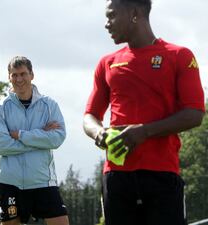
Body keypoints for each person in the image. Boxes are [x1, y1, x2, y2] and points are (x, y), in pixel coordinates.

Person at [83, 0, 205, 225]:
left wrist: (145, 132)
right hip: (116, 177)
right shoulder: (106, 63)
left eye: (111, 16)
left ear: (134, 13)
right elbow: (89, 117)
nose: (107, 24)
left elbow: (195, 113)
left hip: (162, 176)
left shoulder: (179, 56)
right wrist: (98, 132)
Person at [0, 56, 69, 225]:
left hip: (43, 181)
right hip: (9, 183)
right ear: (9, 77)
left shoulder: (49, 105)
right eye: (14, 75)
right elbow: (3, 146)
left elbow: (57, 139)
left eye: (23, 74)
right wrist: (41, 136)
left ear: (32, 75)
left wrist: (21, 135)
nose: (19, 79)